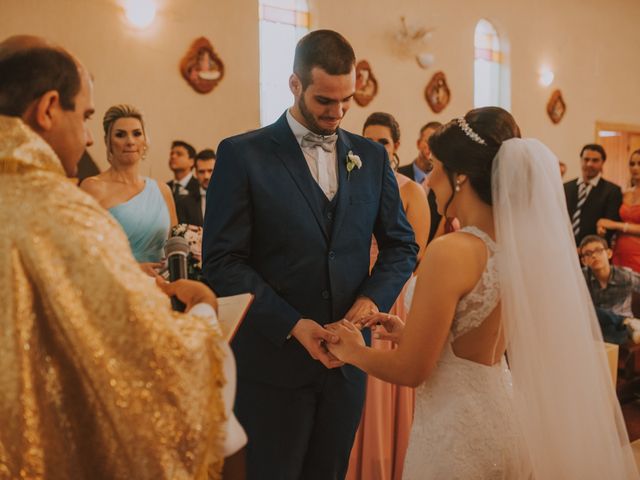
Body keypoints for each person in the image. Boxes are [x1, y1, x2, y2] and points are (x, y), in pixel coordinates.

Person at [326, 107, 639, 479]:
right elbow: (469, 345)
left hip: (454, 435)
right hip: (502, 422)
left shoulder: (451, 250)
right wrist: (406, 333)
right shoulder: (519, 248)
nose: (429, 180)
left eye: (437, 167)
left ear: (460, 177)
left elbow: (412, 370)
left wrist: (353, 350)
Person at [0, 34, 245, 479]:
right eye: (87, 117)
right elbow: (144, 350)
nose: (90, 137)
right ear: (49, 108)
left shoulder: (155, 191)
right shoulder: (60, 206)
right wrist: (205, 313)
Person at [203, 30, 418, 480]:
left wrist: (370, 301)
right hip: (272, 365)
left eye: (346, 101)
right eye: (325, 100)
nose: (337, 113)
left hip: (347, 367)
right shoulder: (243, 154)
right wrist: (293, 325)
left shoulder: (372, 158)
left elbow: (401, 246)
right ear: (295, 85)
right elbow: (223, 262)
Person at [346, 111, 428, 480]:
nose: (375, 147)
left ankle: (385, 464)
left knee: (382, 386)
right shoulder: (352, 185)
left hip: (391, 296)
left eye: (382, 141)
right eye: (368, 139)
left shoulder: (412, 191)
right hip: (353, 291)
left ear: (396, 147)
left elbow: (415, 256)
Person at [81, 105, 176, 274]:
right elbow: (84, 251)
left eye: (137, 133)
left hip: (164, 288)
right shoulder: (93, 187)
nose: (130, 141)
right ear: (108, 142)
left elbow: (175, 246)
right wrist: (133, 269)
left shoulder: (163, 191)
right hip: (118, 286)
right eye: (120, 135)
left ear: (145, 140)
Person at [580, 235, 640, 344]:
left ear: (609, 253)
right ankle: (626, 322)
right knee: (588, 309)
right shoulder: (581, 277)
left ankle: (624, 324)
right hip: (597, 324)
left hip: (618, 329)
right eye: (588, 254)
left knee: (609, 332)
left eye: (598, 251)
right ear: (584, 261)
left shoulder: (625, 276)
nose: (594, 256)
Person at [564, 143, 622, 245]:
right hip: (565, 245)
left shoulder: (612, 191)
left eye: (595, 160)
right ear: (581, 160)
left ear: (602, 162)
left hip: (593, 250)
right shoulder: (566, 187)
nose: (589, 164)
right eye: (586, 159)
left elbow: (609, 226)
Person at [398, 121, 442, 242]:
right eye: (428, 141)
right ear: (418, 143)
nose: (431, 147)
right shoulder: (398, 175)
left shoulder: (444, 182)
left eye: (437, 143)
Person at [597, 149, 640, 272]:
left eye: (639, 164)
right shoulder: (625, 193)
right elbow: (614, 218)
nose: (635, 168)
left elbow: (615, 223)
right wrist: (603, 227)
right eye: (632, 164)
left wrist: (615, 225)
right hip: (620, 250)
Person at [175, 147, 216, 226]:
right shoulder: (184, 203)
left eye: (210, 171)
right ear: (196, 173)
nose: (206, 176)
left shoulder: (230, 199)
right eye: (201, 172)